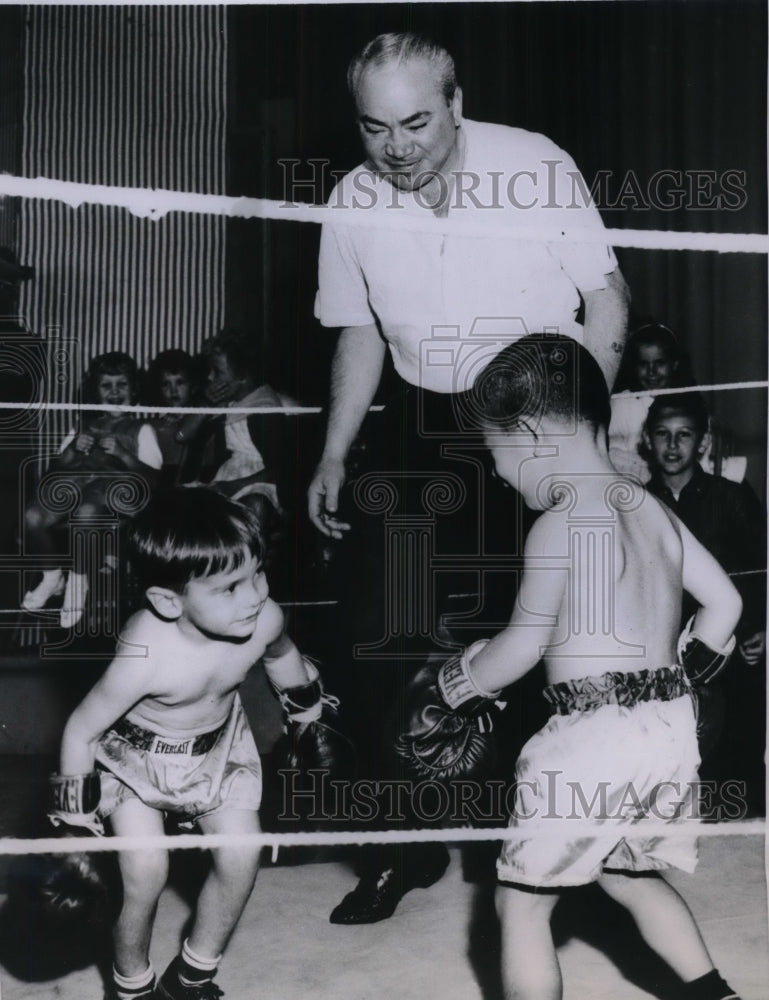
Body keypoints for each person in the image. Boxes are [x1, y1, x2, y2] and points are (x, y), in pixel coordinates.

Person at [307, 31, 629, 923]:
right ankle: (400, 851)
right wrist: (335, 451)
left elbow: (605, 299)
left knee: (537, 642)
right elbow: (360, 330)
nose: (395, 147)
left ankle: (549, 856)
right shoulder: (352, 197)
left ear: (455, 105)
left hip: (530, 412)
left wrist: (580, 436)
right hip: (415, 424)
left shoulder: (534, 166)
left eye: (415, 122)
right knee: (377, 638)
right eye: (375, 128)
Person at [398, 333, 743, 1000]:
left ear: (526, 433)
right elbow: (725, 601)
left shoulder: (557, 523)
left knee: (521, 905)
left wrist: (455, 684)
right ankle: (716, 995)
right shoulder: (651, 506)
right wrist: (681, 672)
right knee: (628, 875)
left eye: (496, 454)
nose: (498, 473)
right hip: (668, 731)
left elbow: (525, 645)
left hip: (589, 740)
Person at [50, 487, 342, 1000]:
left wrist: (310, 719)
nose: (254, 595)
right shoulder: (145, 654)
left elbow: (281, 657)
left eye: (258, 573)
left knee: (241, 855)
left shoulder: (263, 619)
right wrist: (77, 830)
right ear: (168, 601)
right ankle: (132, 987)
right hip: (133, 763)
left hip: (218, 751)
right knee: (145, 873)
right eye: (230, 587)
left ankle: (192, 979)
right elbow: (81, 729)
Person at [643, 392, 766, 812]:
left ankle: (735, 806)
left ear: (703, 444)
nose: (673, 446)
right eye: (662, 434)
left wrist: (761, 630)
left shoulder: (730, 497)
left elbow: (760, 572)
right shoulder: (636, 503)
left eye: (684, 435)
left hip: (729, 643)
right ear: (646, 440)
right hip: (659, 646)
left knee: (742, 702)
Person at [22, 350, 162, 628]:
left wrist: (123, 455)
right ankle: (52, 578)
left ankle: (78, 580)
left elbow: (154, 481)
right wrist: (73, 450)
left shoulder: (141, 428)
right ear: (95, 391)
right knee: (32, 517)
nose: (114, 392)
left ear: (134, 389)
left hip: (117, 494)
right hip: (77, 486)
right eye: (106, 385)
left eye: (121, 384)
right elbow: (54, 471)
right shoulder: (84, 425)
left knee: (87, 510)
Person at [181, 329, 289, 557]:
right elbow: (181, 435)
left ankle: (250, 566)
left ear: (242, 375)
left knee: (253, 506)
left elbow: (279, 469)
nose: (210, 378)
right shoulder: (229, 403)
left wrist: (233, 486)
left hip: (259, 481)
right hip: (229, 475)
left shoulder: (264, 408)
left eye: (217, 372)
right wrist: (206, 404)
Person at [609, 320, 693, 481]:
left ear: (674, 364)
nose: (651, 372)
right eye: (643, 364)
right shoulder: (622, 404)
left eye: (659, 363)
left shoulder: (686, 403)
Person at [144, 348, 204, 487]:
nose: (173, 390)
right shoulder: (158, 420)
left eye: (180, 382)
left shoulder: (198, 414)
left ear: (193, 385)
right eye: (166, 384)